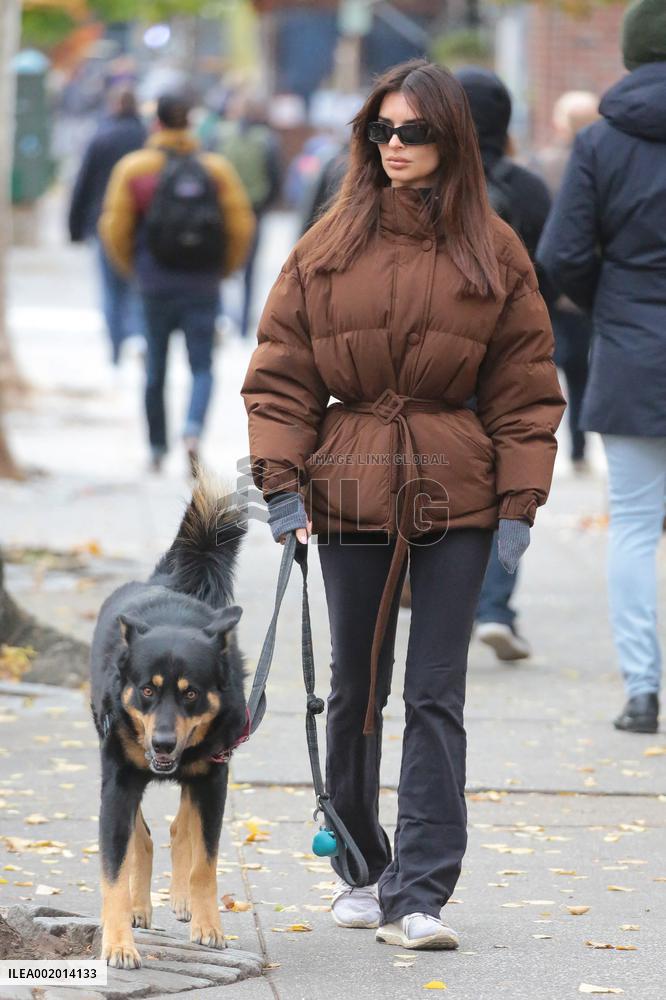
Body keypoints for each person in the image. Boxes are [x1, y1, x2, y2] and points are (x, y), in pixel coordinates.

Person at [242, 60, 564, 949]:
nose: (395, 146)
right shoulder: (326, 243)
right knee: (355, 690)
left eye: (414, 131)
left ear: (452, 140)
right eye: (381, 130)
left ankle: (420, 892)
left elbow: (526, 390)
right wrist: (281, 486)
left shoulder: (493, 248)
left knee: (437, 693)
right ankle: (359, 861)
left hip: (457, 485)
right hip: (348, 483)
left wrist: (517, 506)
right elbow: (280, 378)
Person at [538, 0, 666, 735]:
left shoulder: (601, 143)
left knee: (634, 526)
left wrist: (606, 304)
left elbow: (561, 257)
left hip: (631, 350)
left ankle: (643, 691)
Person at [455, 67, 554, 663]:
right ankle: (494, 606)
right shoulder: (527, 189)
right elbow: (555, 265)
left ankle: (427, 582)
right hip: (509, 363)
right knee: (507, 481)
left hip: (438, 363)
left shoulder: (425, 187)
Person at [99, 93, 255, 474]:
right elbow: (241, 225)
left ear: (157, 124)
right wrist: (223, 269)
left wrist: (133, 269)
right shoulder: (215, 169)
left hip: (153, 283)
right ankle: (192, 432)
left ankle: (155, 447)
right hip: (202, 284)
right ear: (190, 123)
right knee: (202, 364)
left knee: (155, 368)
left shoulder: (134, 168)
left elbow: (114, 228)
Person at [531, 91, 599, 472]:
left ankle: (542, 449)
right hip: (585, 290)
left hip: (544, 289)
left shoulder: (540, 166)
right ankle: (578, 446)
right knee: (581, 370)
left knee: (539, 374)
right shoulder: (607, 162)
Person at [68, 85, 146, 365]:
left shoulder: (101, 138)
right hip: (143, 226)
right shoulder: (146, 138)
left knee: (111, 290)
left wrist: (74, 227)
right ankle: (139, 338)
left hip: (104, 223)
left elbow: (83, 184)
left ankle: (115, 352)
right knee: (137, 287)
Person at [210, 93, 281, 340]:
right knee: (250, 270)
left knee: (218, 267)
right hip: (253, 211)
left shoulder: (220, 135)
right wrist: (264, 204)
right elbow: (275, 179)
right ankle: (242, 327)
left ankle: (221, 318)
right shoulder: (267, 140)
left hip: (221, 212)